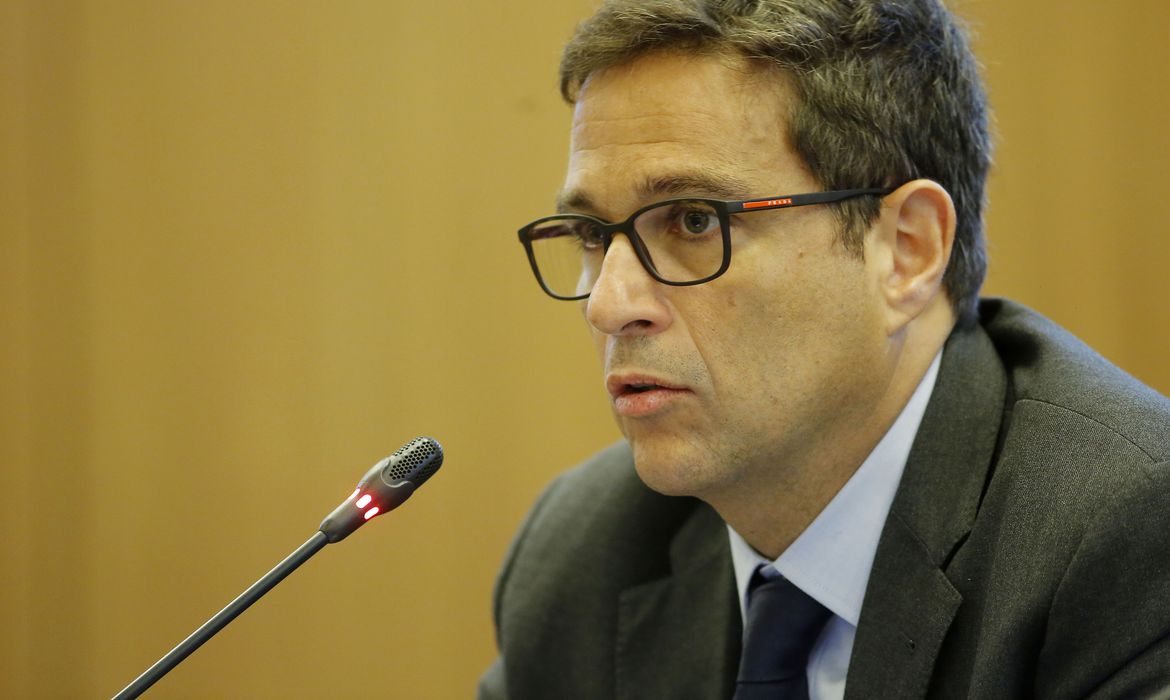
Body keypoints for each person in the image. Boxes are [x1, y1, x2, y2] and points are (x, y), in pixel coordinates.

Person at [480, 1, 1170, 698]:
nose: (608, 305)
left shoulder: (1130, 532)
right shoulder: (581, 556)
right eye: (592, 235)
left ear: (906, 251)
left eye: (694, 221)